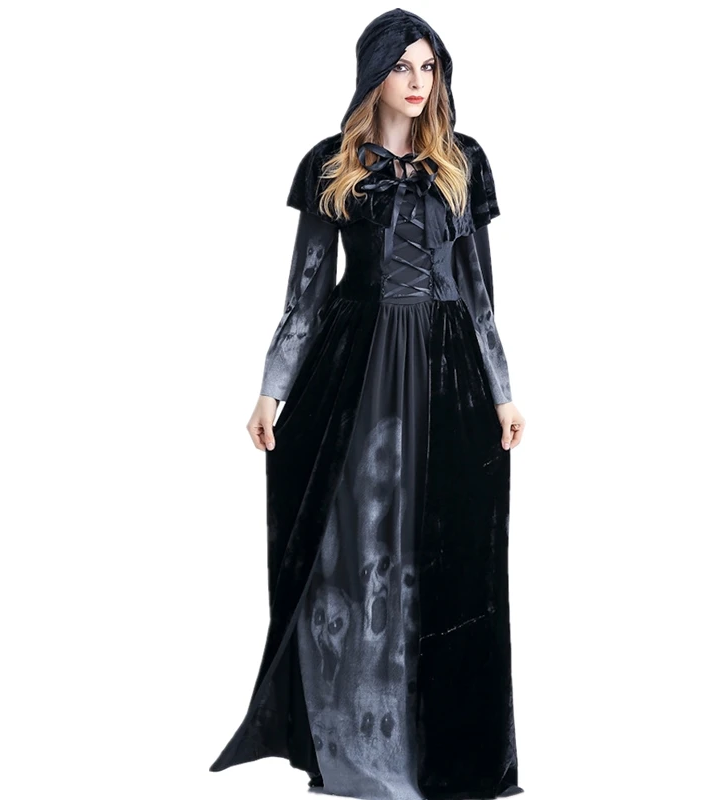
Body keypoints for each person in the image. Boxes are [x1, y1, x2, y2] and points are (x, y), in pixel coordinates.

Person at [209, 9, 526, 800]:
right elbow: (306, 294)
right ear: (373, 73)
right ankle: (354, 745)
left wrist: (503, 391)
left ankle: (441, 754)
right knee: (352, 551)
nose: (418, 82)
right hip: (355, 369)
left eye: (430, 67)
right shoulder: (331, 163)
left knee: (446, 553)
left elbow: (480, 295)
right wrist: (272, 388)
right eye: (403, 66)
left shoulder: (464, 161)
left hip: (448, 371)